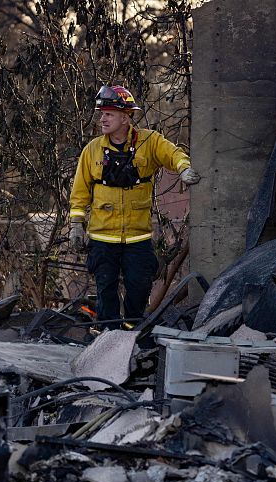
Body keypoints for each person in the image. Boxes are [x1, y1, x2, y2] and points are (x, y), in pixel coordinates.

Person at [68, 85, 200, 327]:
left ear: (125, 117)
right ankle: (108, 341)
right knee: (106, 295)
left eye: (109, 113)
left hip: (137, 239)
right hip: (102, 239)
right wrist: (76, 224)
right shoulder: (92, 151)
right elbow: (79, 193)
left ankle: (131, 340)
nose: (102, 119)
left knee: (139, 290)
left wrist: (184, 169)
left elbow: (173, 154)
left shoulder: (149, 142)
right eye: (102, 113)